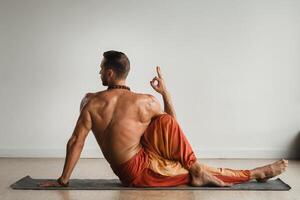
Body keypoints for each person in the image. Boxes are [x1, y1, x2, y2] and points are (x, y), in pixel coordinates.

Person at [40, 50, 288, 187]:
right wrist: (165, 94)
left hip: (139, 163)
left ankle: (199, 168)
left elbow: (76, 141)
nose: (99, 72)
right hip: (139, 172)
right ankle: (254, 173)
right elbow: (174, 125)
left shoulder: (90, 101)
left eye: (101, 67)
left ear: (110, 72)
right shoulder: (145, 102)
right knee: (195, 171)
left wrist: (64, 180)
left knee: (167, 127)